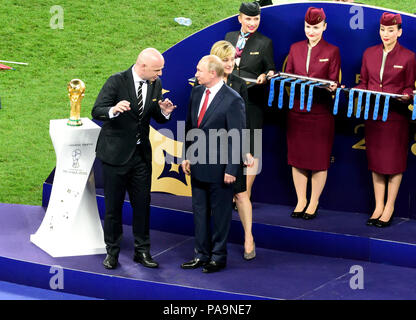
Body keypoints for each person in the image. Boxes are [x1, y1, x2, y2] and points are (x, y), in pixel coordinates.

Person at [92, 48, 176, 269]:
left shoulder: (154, 84)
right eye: (157, 69)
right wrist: (113, 109)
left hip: (140, 157)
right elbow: (97, 110)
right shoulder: (116, 81)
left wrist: (165, 112)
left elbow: (152, 115)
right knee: (113, 207)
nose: (160, 74)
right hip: (115, 156)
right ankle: (112, 252)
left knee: (142, 205)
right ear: (143, 66)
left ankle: (142, 251)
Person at [181, 55, 245, 273]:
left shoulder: (233, 99)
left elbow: (237, 136)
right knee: (199, 212)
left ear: (213, 73)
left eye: (200, 70)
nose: (196, 73)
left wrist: (231, 169)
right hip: (198, 164)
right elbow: (190, 127)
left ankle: (218, 257)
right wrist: (187, 155)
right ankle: (201, 255)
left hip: (221, 170)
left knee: (220, 214)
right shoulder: (197, 92)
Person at [356, 13, 416, 228]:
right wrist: (356, 90)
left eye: (391, 31)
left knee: (394, 163)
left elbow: (409, 87)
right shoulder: (369, 53)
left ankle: (389, 207)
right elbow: (364, 81)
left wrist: (406, 95)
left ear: (399, 32)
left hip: (395, 117)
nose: (386, 34)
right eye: (383, 30)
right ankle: (378, 206)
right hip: (374, 115)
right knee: (377, 163)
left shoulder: (408, 56)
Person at [285, 7, 341, 220]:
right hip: (297, 111)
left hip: (320, 112)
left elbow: (334, 80)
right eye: (308, 27)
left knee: (318, 159)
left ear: (324, 27)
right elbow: (288, 76)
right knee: (297, 159)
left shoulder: (332, 51)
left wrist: (331, 87)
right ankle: (301, 200)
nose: (311, 31)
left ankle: (314, 201)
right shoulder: (295, 48)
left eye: (316, 27)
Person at [210, 40, 256, 260]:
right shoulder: (205, 83)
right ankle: (216, 240)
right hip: (211, 148)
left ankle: (249, 237)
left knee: (240, 193)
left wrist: (245, 150)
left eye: (232, 60)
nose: (230, 64)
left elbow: (243, 120)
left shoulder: (239, 84)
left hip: (234, 147)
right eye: (225, 60)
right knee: (214, 195)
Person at [225, 1, 275, 202]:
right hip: (229, 102)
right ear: (240, 18)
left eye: (256, 19)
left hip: (252, 103)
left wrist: (266, 74)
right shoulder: (229, 38)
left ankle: (244, 194)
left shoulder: (265, 42)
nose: (252, 23)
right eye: (248, 19)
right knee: (230, 145)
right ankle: (229, 192)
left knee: (251, 149)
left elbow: (270, 68)